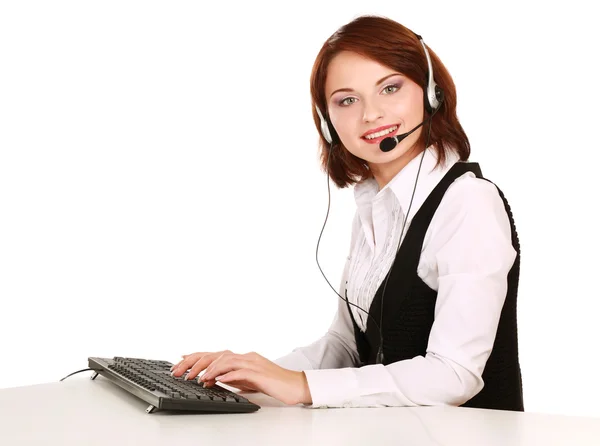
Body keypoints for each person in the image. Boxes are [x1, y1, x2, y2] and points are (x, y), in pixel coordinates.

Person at [170, 14, 524, 411]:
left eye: (390, 88)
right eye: (347, 100)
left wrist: (301, 386)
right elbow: (345, 344)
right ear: (326, 122)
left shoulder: (468, 203)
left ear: (431, 94)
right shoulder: (375, 204)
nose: (370, 114)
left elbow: (454, 375)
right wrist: (247, 379)